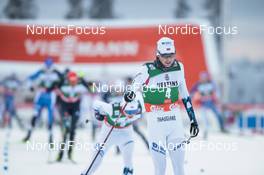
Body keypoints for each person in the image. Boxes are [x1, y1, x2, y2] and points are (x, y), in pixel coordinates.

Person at [123, 37, 199, 175]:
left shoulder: (179, 67)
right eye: (165, 56)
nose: (169, 59)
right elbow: (134, 85)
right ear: (158, 55)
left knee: (179, 168)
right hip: (156, 122)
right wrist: (130, 94)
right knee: (160, 169)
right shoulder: (147, 69)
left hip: (174, 121)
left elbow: (185, 94)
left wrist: (193, 119)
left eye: (171, 56)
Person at [81, 92, 144, 175]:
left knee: (128, 160)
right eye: (128, 112)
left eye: (134, 111)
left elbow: (139, 94)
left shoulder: (140, 108)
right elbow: (95, 104)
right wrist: (97, 114)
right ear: (123, 108)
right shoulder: (112, 109)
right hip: (108, 133)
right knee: (96, 160)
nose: (131, 115)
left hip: (126, 134)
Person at [23, 57, 62, 145]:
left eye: (50, 66)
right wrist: (30, 87)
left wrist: (59, 89)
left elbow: (63, 80)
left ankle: (50, 138)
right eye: (47, 66)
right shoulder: (41, 72)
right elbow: (29, 78)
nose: (48, 68)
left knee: (50, 117)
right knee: (35, 115)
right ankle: (28, 135)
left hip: (50, 97)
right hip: (40, 96)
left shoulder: (56, 72)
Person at [56, 71, 89, 162]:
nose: (73, 83)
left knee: (72, 131)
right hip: (65, 107)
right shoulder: (64, 86)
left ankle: (70, 154)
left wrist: (83, 80)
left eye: (75, 81)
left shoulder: (80, 85)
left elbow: (91, 89)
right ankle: (60, 154)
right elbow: (55, 90)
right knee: (65, 130)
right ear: (68, 80)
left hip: (75, 107)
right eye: (71, 81)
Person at [191, 71, 226, 138]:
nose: (204, 79)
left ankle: (222, 127)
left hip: (211, 103)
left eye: (205, 77)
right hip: (203, 104)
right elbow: (192, 92)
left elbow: (217, 91)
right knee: (204, 118)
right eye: (202, 78)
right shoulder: (198, 84)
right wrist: (195, 96)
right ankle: (206, 130)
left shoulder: (211, 83)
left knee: (218, 114)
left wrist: (217, 98)